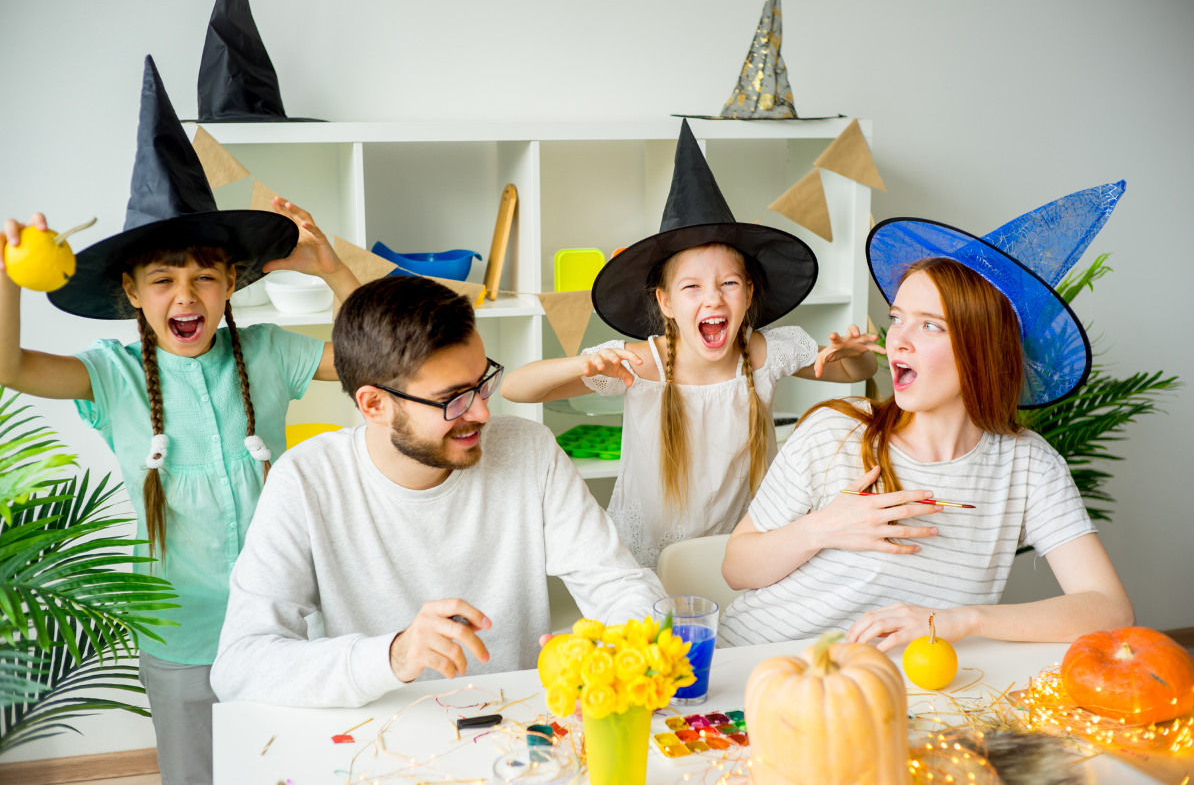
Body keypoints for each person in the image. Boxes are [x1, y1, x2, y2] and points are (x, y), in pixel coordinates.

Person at [0, 57, 360, 785]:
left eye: (204, 276)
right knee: (195, 774)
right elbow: (10, 366)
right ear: (132, 291)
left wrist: (331, 270)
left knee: (292, 768)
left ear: (233, 283)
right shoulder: (113, 374)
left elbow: (376, 358)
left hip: (285, 620)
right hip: (178, 633)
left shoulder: (266, 353)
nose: (185, 294)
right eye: (163, 279)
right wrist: (8, 278)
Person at [209, 275, 667, 708]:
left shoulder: (529, 450)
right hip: (376, 736)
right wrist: (395, 655)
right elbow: (239, 666)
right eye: (454, 399)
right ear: (375, 404)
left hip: (516, 731)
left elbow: (620, 584)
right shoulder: (307, 479)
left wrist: (612, 644)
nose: (484, 413)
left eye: (483, 382)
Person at [719, 183, 1135, 650]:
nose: (897, 340)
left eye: (930, 325)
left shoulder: (1028, 467)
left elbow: (1109, 608)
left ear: (984, 349)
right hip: (758, 666)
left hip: (899, 690)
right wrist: (822, 529)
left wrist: (959, 620)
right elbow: (737, 568)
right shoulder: (835, 430)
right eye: (897, 318)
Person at [501, 120, 879, 570]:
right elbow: (516, 388)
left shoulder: (764, 352)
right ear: (665, 302)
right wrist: (581, 365)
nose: (714, 298)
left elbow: (854, 374)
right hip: (649, 560)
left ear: (750, 294)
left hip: (740, 548)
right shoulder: (644, 363)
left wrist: (857, 358)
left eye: (729, 283)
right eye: (693, 287)